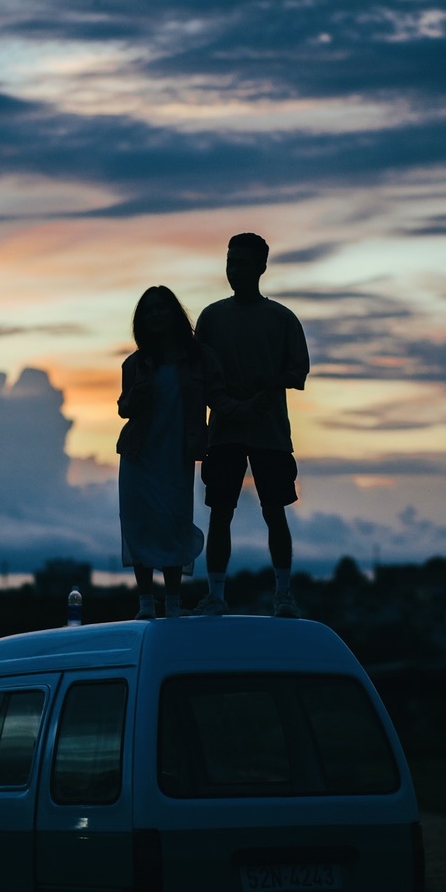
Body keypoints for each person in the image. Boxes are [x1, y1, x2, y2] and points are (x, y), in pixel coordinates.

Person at [117, 285, 255, 619]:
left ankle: (174, 603)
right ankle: (146, 603)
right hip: (138, 455)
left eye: (161, 308)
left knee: (175, 523)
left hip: (176, 454)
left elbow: (218, 398)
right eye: (149, 310)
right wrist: (141, 385)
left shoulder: (199, 358)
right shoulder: (135, 363)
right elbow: (124, 408)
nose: (156, 315)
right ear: (142, 320)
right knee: (139, 524)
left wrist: (248, 408)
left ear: (174, 313)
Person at [194, 232, 310, 617]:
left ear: (261, 266)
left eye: (242, 263)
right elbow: (199, 375)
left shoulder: (281, 318)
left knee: (274, 510)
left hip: (270, 430)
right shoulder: (211, 317)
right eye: (230, 262)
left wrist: (263, 392)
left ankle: (283, 594)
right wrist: (223, 407)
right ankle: (215, 595)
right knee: (220, 511)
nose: (233, 270)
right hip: (224, 430)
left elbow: (298, 370)